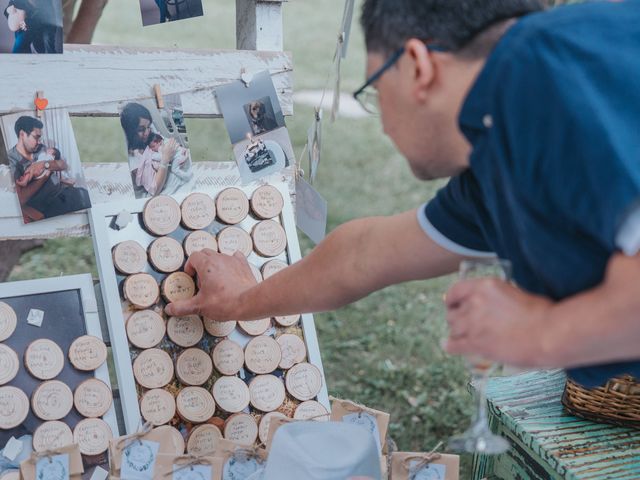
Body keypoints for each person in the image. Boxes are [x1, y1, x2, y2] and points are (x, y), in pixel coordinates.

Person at [165, 0, 640, 389]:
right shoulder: (496, 151)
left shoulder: (543, 70)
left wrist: (537, 332)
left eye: (374, 88)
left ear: (417, 63)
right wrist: (243, 300)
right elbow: (364, 257)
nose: (385, 123)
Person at [8, 116, 90, 222]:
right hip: (47, 204)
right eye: (36, 137)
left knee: (88, 196)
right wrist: (46, 175)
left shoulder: (39, 148)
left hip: (64, 191)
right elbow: (21, 198)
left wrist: (43, 164)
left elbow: (62, 164)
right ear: (22, 134)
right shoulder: (12, 159)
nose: (39, 141)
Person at [119, 102, 178, 198]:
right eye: (141, 129)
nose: (147, 132)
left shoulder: (148, 137)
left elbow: (167, 143)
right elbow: (154, 189)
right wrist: (165, 159)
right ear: (130, 131)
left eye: (148, 127)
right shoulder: (135, 158)